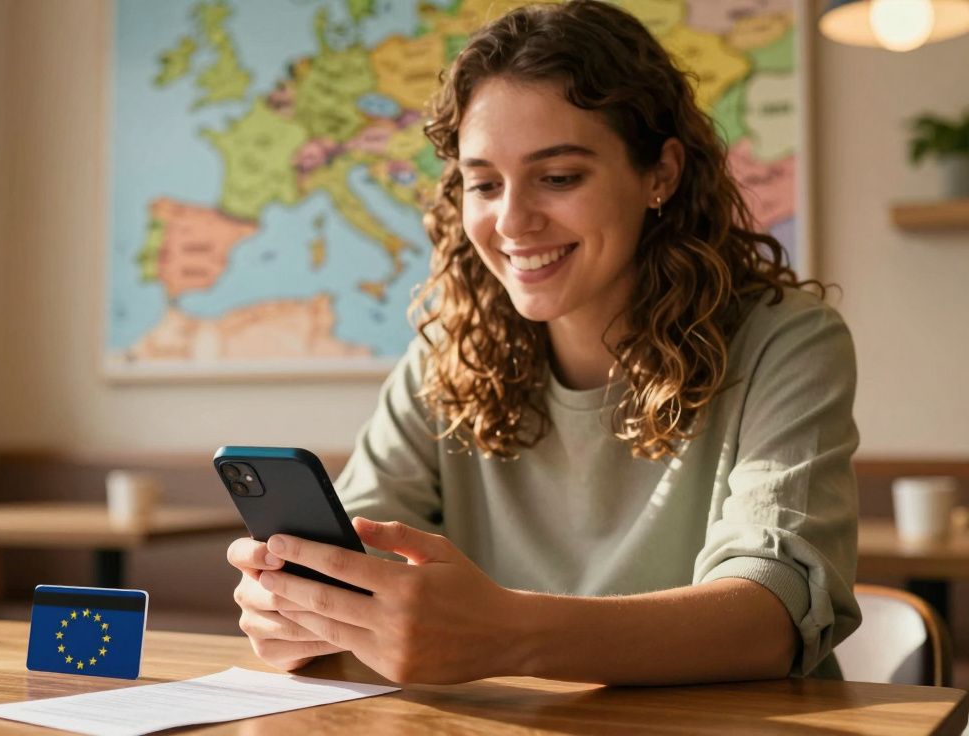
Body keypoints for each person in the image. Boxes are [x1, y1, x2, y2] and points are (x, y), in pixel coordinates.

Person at [227, 0, 860, 686]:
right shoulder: (446, 360)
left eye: (559, 177)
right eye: (484, 184)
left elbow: (773, 615)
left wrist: (508, 638)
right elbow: (357, 547)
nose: (513, 221)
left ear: (661, 175)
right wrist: (296, 607)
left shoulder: (787, 340)